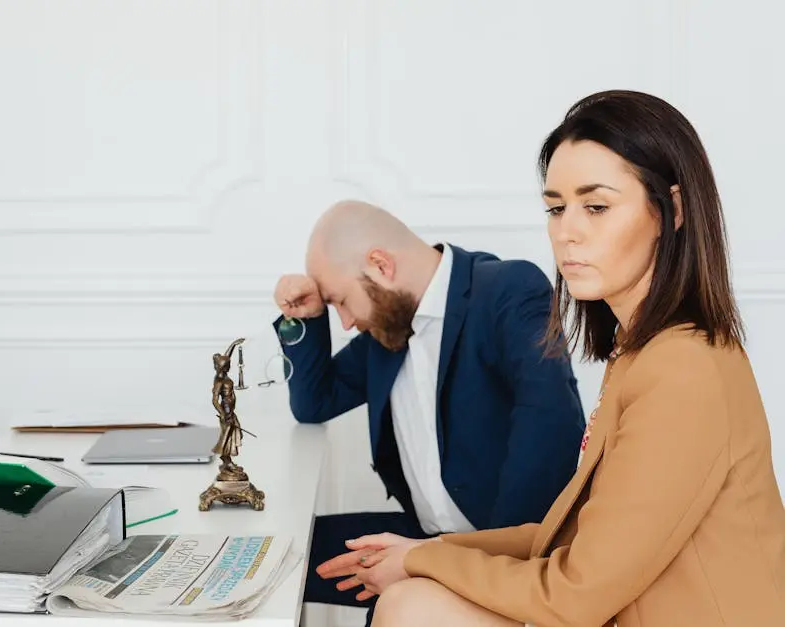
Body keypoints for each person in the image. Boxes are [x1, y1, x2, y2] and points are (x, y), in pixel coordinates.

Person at [319, 90, 785, 627]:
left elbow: (575, 596)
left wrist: (426, 559)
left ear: (670, 211)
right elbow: (570, 535)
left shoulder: (684, 368)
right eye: (556, 208)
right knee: (410, 597)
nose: (567, 231)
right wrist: (424, 552)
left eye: (596, 206)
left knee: (412, 605)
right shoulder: (641, 353)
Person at [271, 199, 587, 621]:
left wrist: (450, 563)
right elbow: (314, 403)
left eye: (341, 301)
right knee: (278, 557)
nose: (345, 322)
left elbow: (552, 427)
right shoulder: (388, 327)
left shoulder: (507, 289)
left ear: (380, 265)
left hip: (500, 552)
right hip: (423, 536)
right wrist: (308, 318)